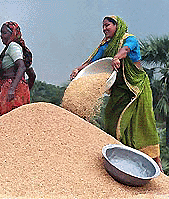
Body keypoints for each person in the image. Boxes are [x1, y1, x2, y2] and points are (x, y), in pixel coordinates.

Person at [70, 15, 163, 171]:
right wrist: (78, 70)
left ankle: (157, 164)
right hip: (119, 88)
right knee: (111, 116)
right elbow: (92, 60)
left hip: (136, 88)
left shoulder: (129, 38)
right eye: (103, 26)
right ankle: (119, 159)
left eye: (108, 25)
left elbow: (126, 50)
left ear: (117, 25)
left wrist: (117, 57)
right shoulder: (106, 44)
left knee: (143, 123)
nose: (105, 28)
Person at [0, 21, 36, 120]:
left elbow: (21, 67)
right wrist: (24, 90)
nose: (1, 36)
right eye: (1, 33)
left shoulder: (13, 46)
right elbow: (32, 75)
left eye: (4, 33)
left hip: (11, 87)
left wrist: (12, 89)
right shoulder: (17, 49)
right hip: (15, 87)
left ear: (12, 34)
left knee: (7, 119)